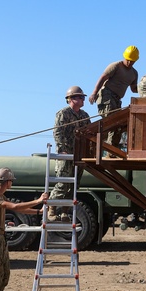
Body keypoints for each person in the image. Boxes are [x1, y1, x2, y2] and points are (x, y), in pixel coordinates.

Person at [0, 167, 48, 291]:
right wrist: (38, 201)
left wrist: (38, 211)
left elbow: (19, 210)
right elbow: (15, 207)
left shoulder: (0, 196)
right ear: (7, 182)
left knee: (3, 273)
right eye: (11, 181)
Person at [49, 86, 91, 222]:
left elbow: (89, 132)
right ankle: (52, 209)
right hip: (66, 154)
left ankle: (65, 212)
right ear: (71, 99)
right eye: (80, 97)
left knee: (73, 187)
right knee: (62, 184)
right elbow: (58, 131)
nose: (83, 100)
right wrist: (62, 149)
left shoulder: (84, 116)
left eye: (83, 97)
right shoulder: (63, 113)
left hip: (78, 154)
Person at [88, 45, 140, 116]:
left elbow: (134, 89)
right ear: (124, 57)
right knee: (109, 116)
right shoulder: (116, 66)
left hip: (117, 99)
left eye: (131, 61)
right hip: (107, 95)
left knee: (117, 119)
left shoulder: (134, 73)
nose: (129, 62)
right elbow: (102, 78)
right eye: (127, 60)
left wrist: (145, 86)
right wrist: (94, 93)